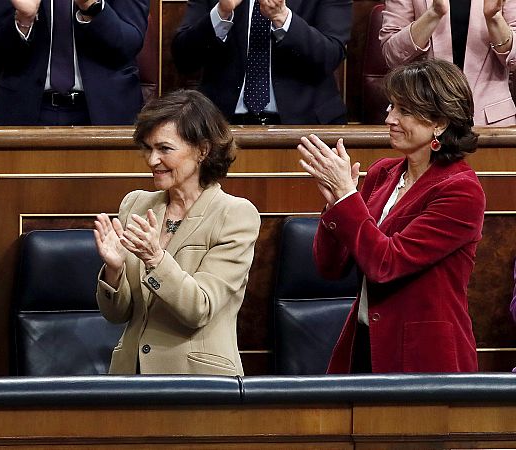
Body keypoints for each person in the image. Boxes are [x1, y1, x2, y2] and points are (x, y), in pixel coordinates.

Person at [298, 59, 484, 373]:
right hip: (364, 344)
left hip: (424, 358)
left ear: (439, 123)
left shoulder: (461, 191)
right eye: (391, 107)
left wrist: (347, 197)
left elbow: (387, 264)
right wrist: (334, 205)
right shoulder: (383, 172)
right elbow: (330, 268)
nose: (389, 118)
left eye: (404, 111)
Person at [94, 90, 260, 375]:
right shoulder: (136, 204)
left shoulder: (235, 215)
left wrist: (155, 259)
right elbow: (116, 314)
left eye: (165, 149)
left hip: (197, 384)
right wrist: (114, 270)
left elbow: (199, 308)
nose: (152, 160)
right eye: (148, 148)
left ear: (203, 150)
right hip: (129, 378)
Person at [171, 0, 351, 125]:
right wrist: (220, 14)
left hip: (305, 124)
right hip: (221, 125)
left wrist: (283, 18)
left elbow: (330, 55)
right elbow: (183, 59)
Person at [0, 0, 149, 126]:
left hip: (107, 110)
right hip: (25, 109)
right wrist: (23, 20)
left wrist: (92, 7)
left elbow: (129, 44)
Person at [380, 0, 516, 126]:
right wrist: (434, 13)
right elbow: (392, 56)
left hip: (491, 121)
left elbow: (513, 61)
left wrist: (494, 17)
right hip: (422, 119)